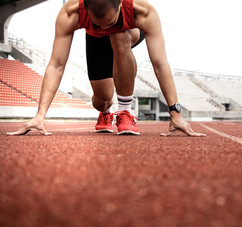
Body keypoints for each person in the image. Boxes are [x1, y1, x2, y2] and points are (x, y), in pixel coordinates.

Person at [7, 0, 205, 137]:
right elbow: (57, 64)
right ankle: (106, 111)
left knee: (118, 36)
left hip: (127, 32)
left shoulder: (143, 11)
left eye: (108, 23)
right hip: (96, 41)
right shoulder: (71, 12)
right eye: (98, 23)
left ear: (121, 3)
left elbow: (160, 64)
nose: (104, 28)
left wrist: (175, 114)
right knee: (101, 101)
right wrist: (40, 116)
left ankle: (125, 112)